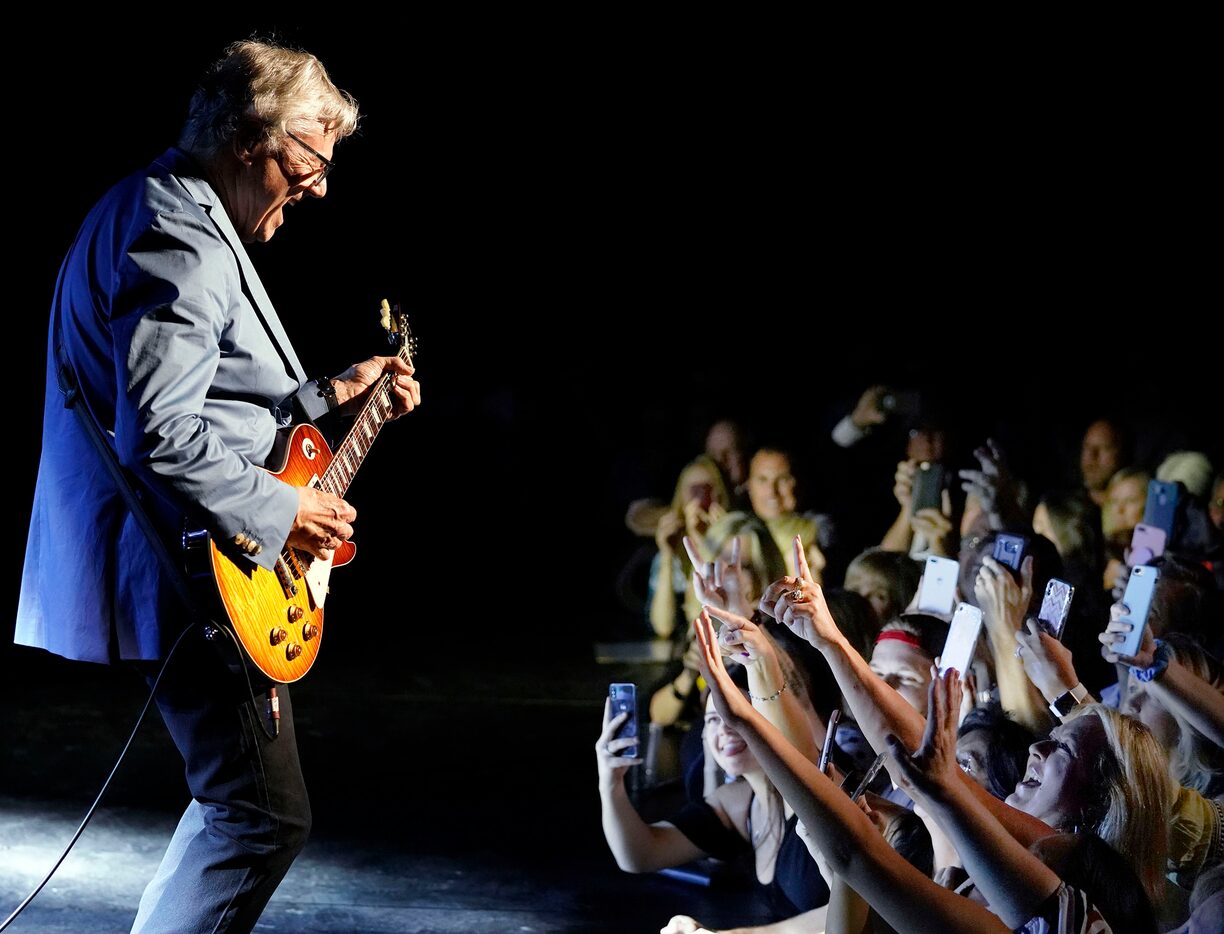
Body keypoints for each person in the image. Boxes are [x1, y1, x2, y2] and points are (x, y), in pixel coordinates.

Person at [15, 39, 421, 934]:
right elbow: (160, 432)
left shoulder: (164, 209)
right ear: (249, 138)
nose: (319, 184)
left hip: (195, 559)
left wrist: (328, 396)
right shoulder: (177, 231)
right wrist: (287, 508)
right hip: (185, 569)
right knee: (261, 817)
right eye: (311, 156)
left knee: (239, 807)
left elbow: (206, 403)